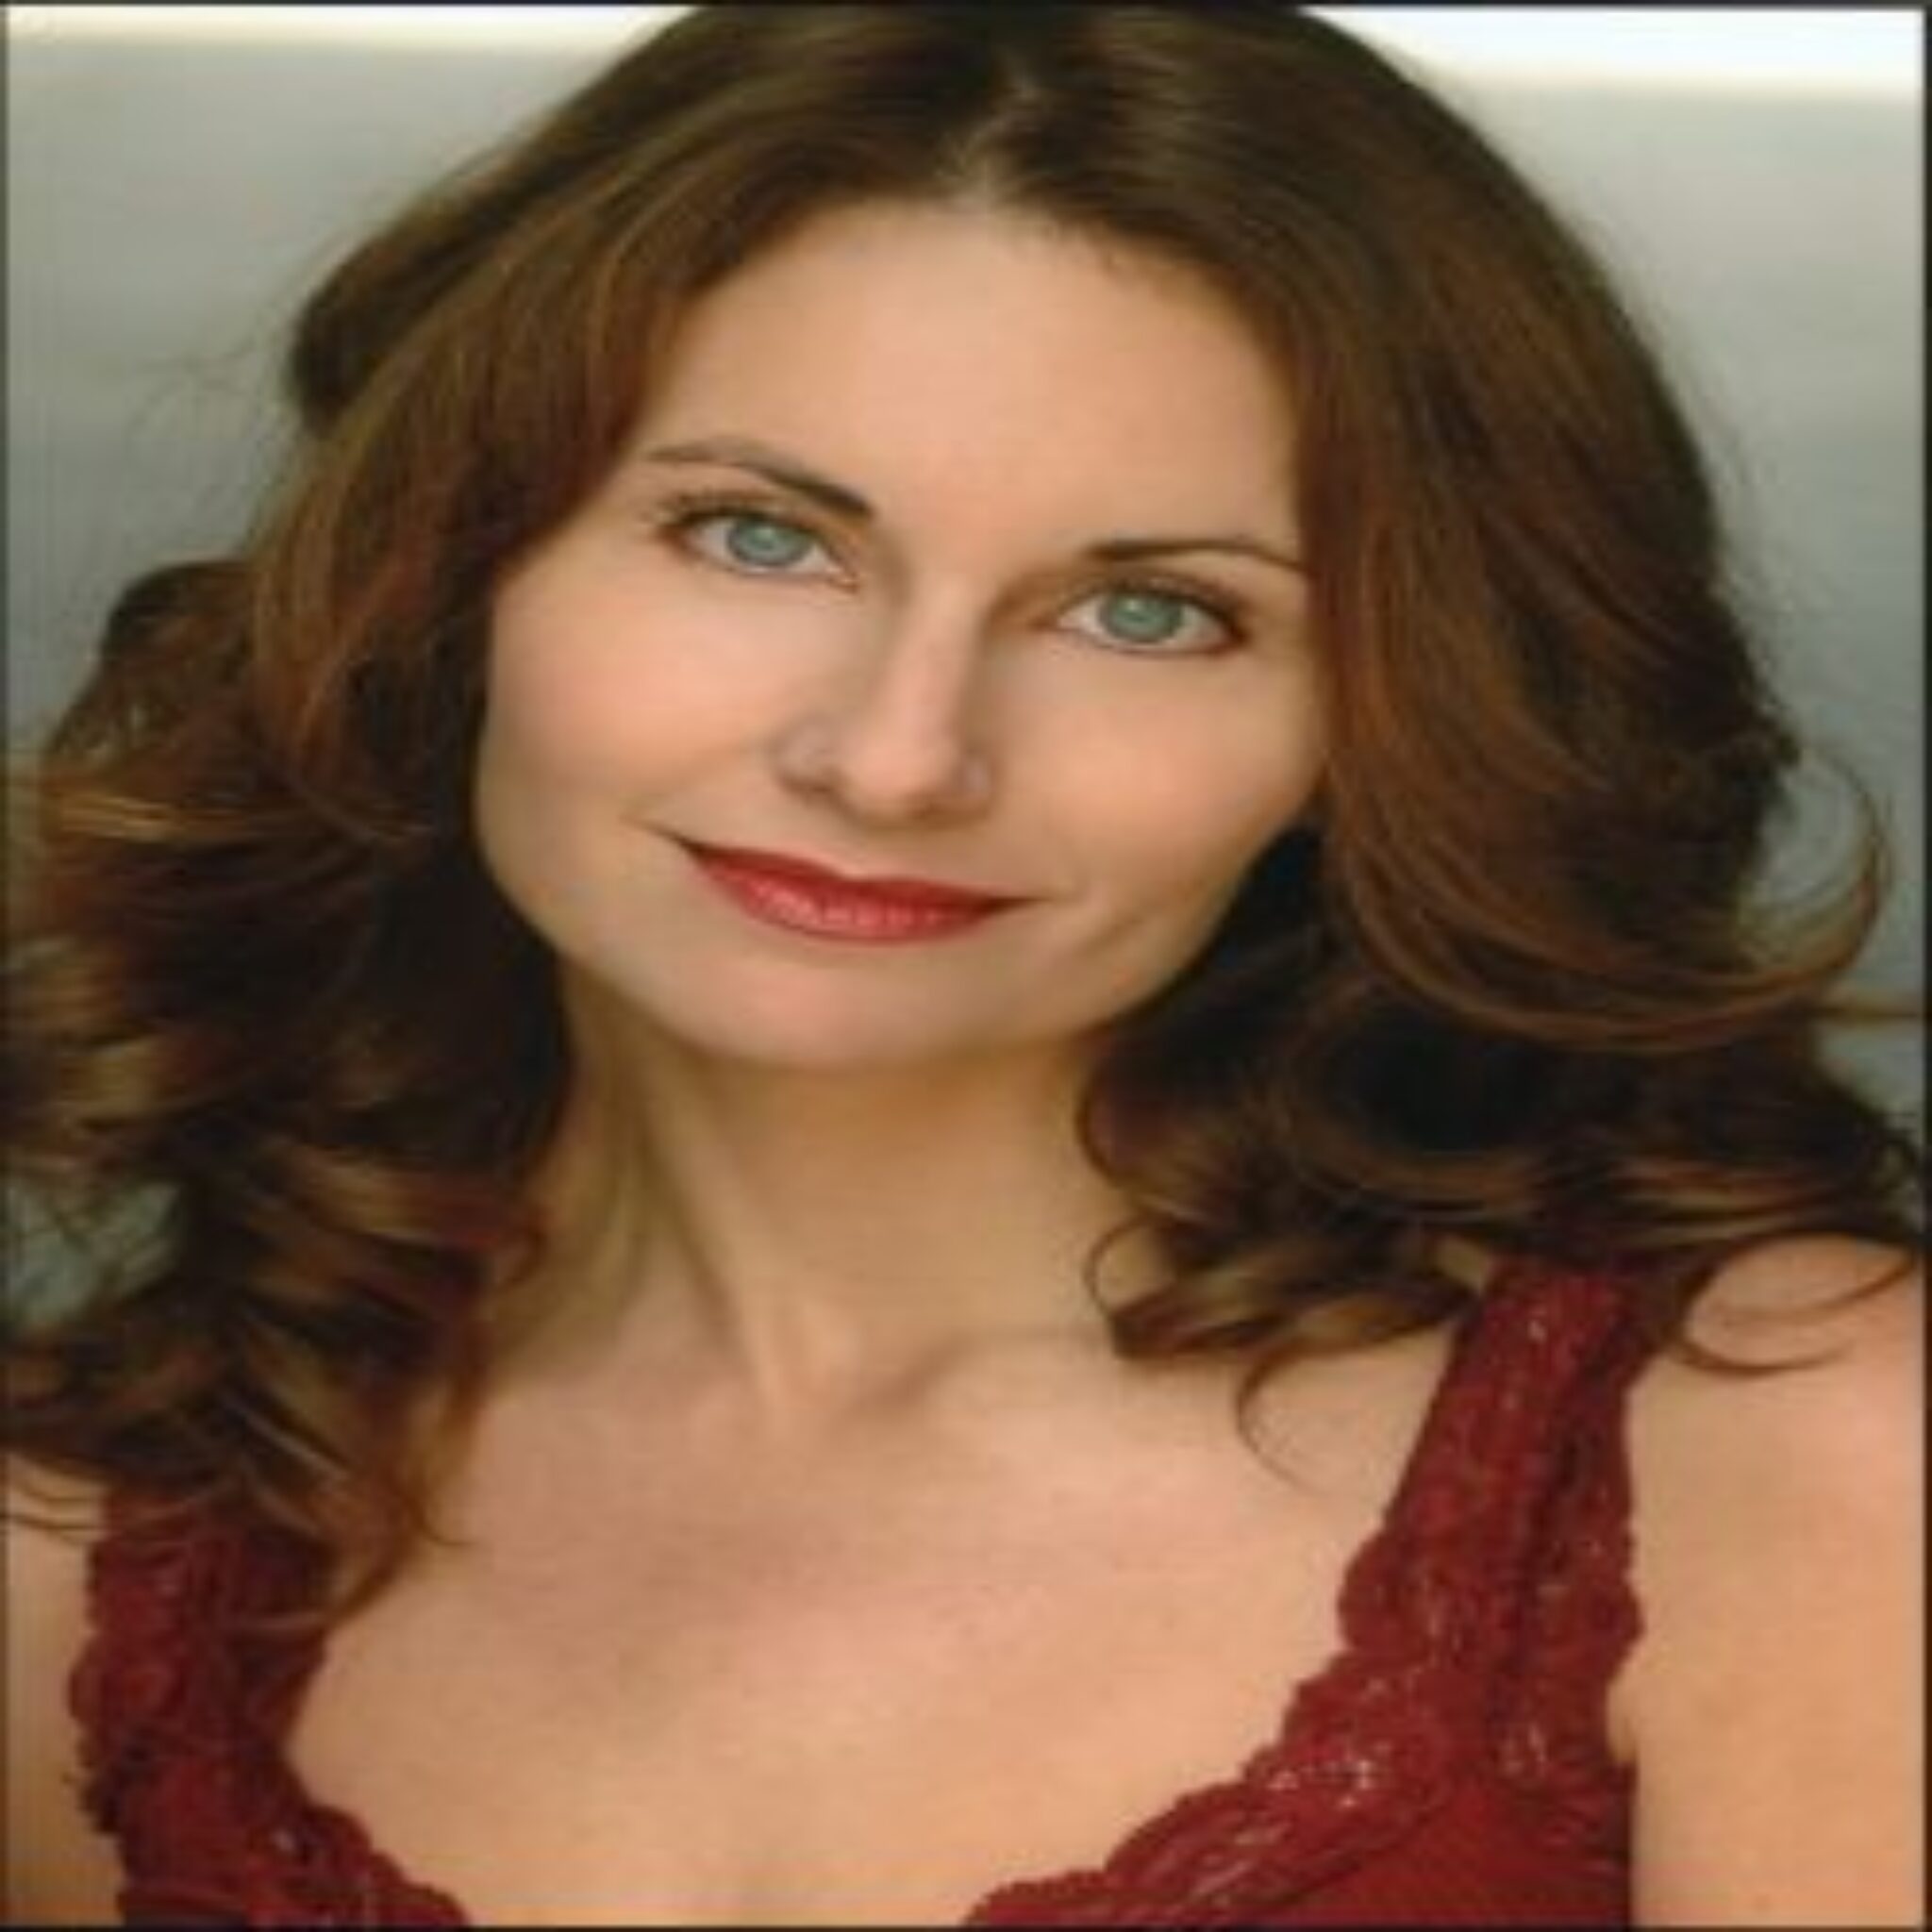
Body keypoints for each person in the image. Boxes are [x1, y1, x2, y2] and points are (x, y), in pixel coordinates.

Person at [4, 5, 1922, 1925]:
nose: (896, 758)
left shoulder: (1786, 1454)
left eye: (1148, 612)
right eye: (757, 536)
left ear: (1382, 726)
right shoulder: (66, 1577)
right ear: (449, 565)